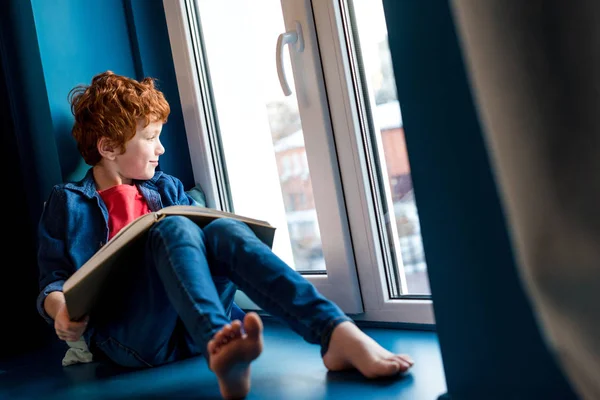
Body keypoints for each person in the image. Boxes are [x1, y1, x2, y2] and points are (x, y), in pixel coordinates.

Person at [36, 71, 414, 399]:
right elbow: (52, 279)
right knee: (174, 225)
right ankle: (220, 344)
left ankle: (333, 331)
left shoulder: (166, 189)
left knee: (220, 229)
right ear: (108, 148)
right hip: (133, 339)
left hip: (189, 332)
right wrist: (61, 310)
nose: (161, 148)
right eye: (150, 138)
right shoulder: (68, 203)